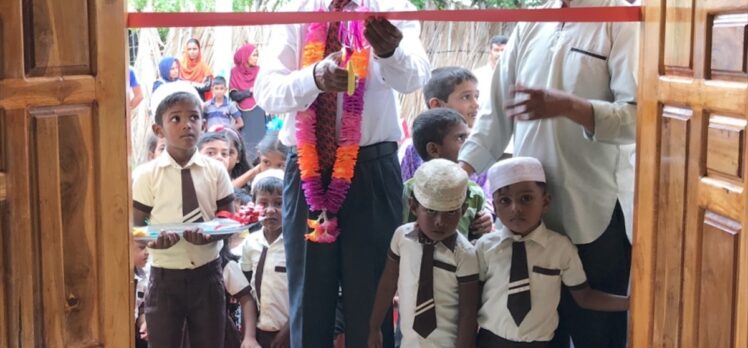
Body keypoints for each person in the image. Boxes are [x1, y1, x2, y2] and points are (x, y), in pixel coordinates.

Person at [459, 0, 638, 345]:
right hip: (526, 215)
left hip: (592, 216)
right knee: (532, 332)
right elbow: (496, 115)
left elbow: (637, 118)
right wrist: (459, 174)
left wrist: (572, 106)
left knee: (597, 335)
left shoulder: (621, 18)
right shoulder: (532, 21)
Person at [254, 0, 430, 344]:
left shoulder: (393, 7)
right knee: (308, 298)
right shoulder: (297, 8)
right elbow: (266, 91)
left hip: (371, 169)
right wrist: (314, 77)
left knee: (372, 301)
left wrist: (390, 51)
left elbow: (415, 78)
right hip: (307, 170)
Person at [476, 157, 629, 347]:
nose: (515, 208)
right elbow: (472, 298)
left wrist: (631, 303)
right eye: (504, 200)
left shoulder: (560, 249)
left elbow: (585, 297)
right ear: (495, 208)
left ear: (546, 202)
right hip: (489, 341)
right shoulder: (484, 247)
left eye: (526, 198)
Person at [132, 91, 235, 347]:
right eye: (176, 119)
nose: (187, 124)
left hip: (208, 275)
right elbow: (136, 226)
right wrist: (153, 241)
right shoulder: (147, 175)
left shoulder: (216, 171)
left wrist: (213, 233)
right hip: (165, 277)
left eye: (194, 117)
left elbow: (229, 217)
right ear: (159, 129)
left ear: (203, 123)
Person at [368, 159, 479, 348]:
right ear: (413, 206)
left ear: (463, 210)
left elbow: (468, 313)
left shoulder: (465, 254)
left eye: (450, 213)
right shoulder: (402, 238)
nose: (439, 221)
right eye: (431, 211)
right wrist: (374, 327)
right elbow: (388, 283)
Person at [402, 108, 489, 240]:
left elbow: (476, 239)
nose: (469, 145)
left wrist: (485, 225)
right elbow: (403, 237)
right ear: (434, 149)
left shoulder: (474, 193)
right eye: (461, 138)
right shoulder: (411, 191)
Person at [400, 67, 481, 182]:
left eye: (476, 96)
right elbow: (408, 188)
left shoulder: (479, 147)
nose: (476, 104)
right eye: (466, 97)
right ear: (436, 104)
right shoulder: (412, 151)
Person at [241, 171, 290, 348]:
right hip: (259, 333)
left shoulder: (297, 245)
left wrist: (288, 332)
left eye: (279, 203)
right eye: (263, 203)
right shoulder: (250, 243)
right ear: (253, 205)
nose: (270, 210)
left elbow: (305, 295)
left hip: (290, 332)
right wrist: (250, 335)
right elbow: (247, 292)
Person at [230, 43, 267, 164]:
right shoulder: (235, 72)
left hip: (258, 109)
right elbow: (233, 94)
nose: (256, 58)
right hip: (243, 113)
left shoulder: (260, 71)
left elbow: (264, 88)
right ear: (245, 56)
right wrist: (249, 92)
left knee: (260, 142)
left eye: (257, 55)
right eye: (254, 55)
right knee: (246, 144)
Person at [472, 35, 507, 118]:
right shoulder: (476, 75)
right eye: (496, 50)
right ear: (490, 51)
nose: (500, 54)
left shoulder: (513, 75)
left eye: (503, 50)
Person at [132, 239, 150, 348]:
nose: (147, 252)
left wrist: (144, 323)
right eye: (142, 247)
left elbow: (141, 310)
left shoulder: (142, 277)